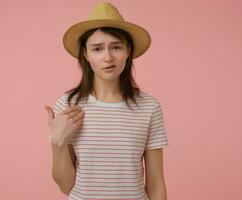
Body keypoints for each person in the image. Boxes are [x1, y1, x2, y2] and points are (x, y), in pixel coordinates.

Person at [44, 2, 169, 200]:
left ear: (128, 50)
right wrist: (57, 142)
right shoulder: (67, 106)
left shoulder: (149, 107)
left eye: (116, 47)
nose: (108, 57)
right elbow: (67, 187)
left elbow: (156, 185)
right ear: (85, 54)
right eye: (97, 49)